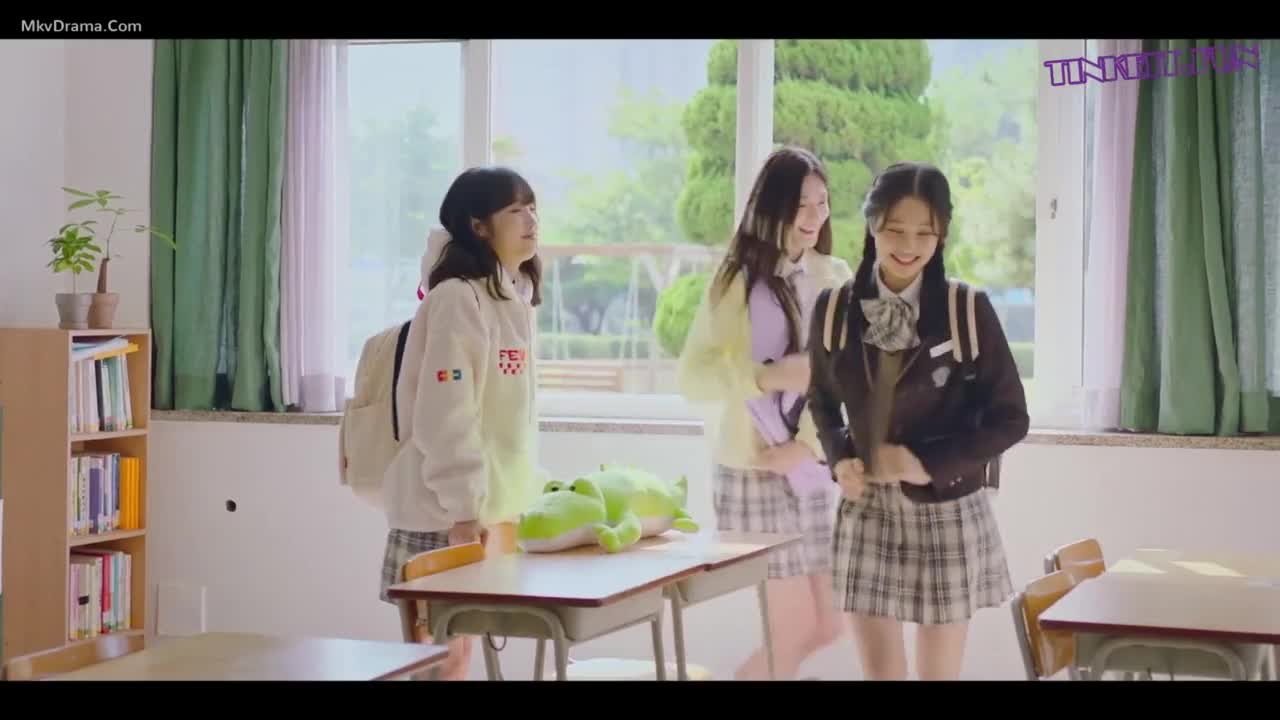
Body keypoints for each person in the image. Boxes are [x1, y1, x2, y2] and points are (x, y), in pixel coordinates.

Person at [806, 161, 1029, 681]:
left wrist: (925, 463)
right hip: (866, 509)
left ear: (941, 234)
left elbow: (1011, 419)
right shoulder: (834, 308)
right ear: (872, 224)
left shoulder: (966, 308)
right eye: (894, 229)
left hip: (946, 506)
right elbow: (821, 400)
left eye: (924, 233)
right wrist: (839, 459)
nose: (908, 245)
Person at [676, 146, 852, 680]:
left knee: (830, 625)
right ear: (773, 207)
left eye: (822, 203)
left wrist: (809, 447)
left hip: (810, 470)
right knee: (793, 628)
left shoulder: (835, 277)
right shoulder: (736, 280)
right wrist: (765, 377)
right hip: (752, 471)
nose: (814, 216)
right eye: (801, 204)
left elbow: (850, 379)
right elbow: (694, 377)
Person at [378, 166, 544, 680]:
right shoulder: (458, 298)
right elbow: (445, 416)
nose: (531, 219)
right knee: (441, 663)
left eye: (533, 207)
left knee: (460, 657)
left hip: (481, 510)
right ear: (478, 226)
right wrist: (464, 507)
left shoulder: (511, 299)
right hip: (444, 512)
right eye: (515, 209)